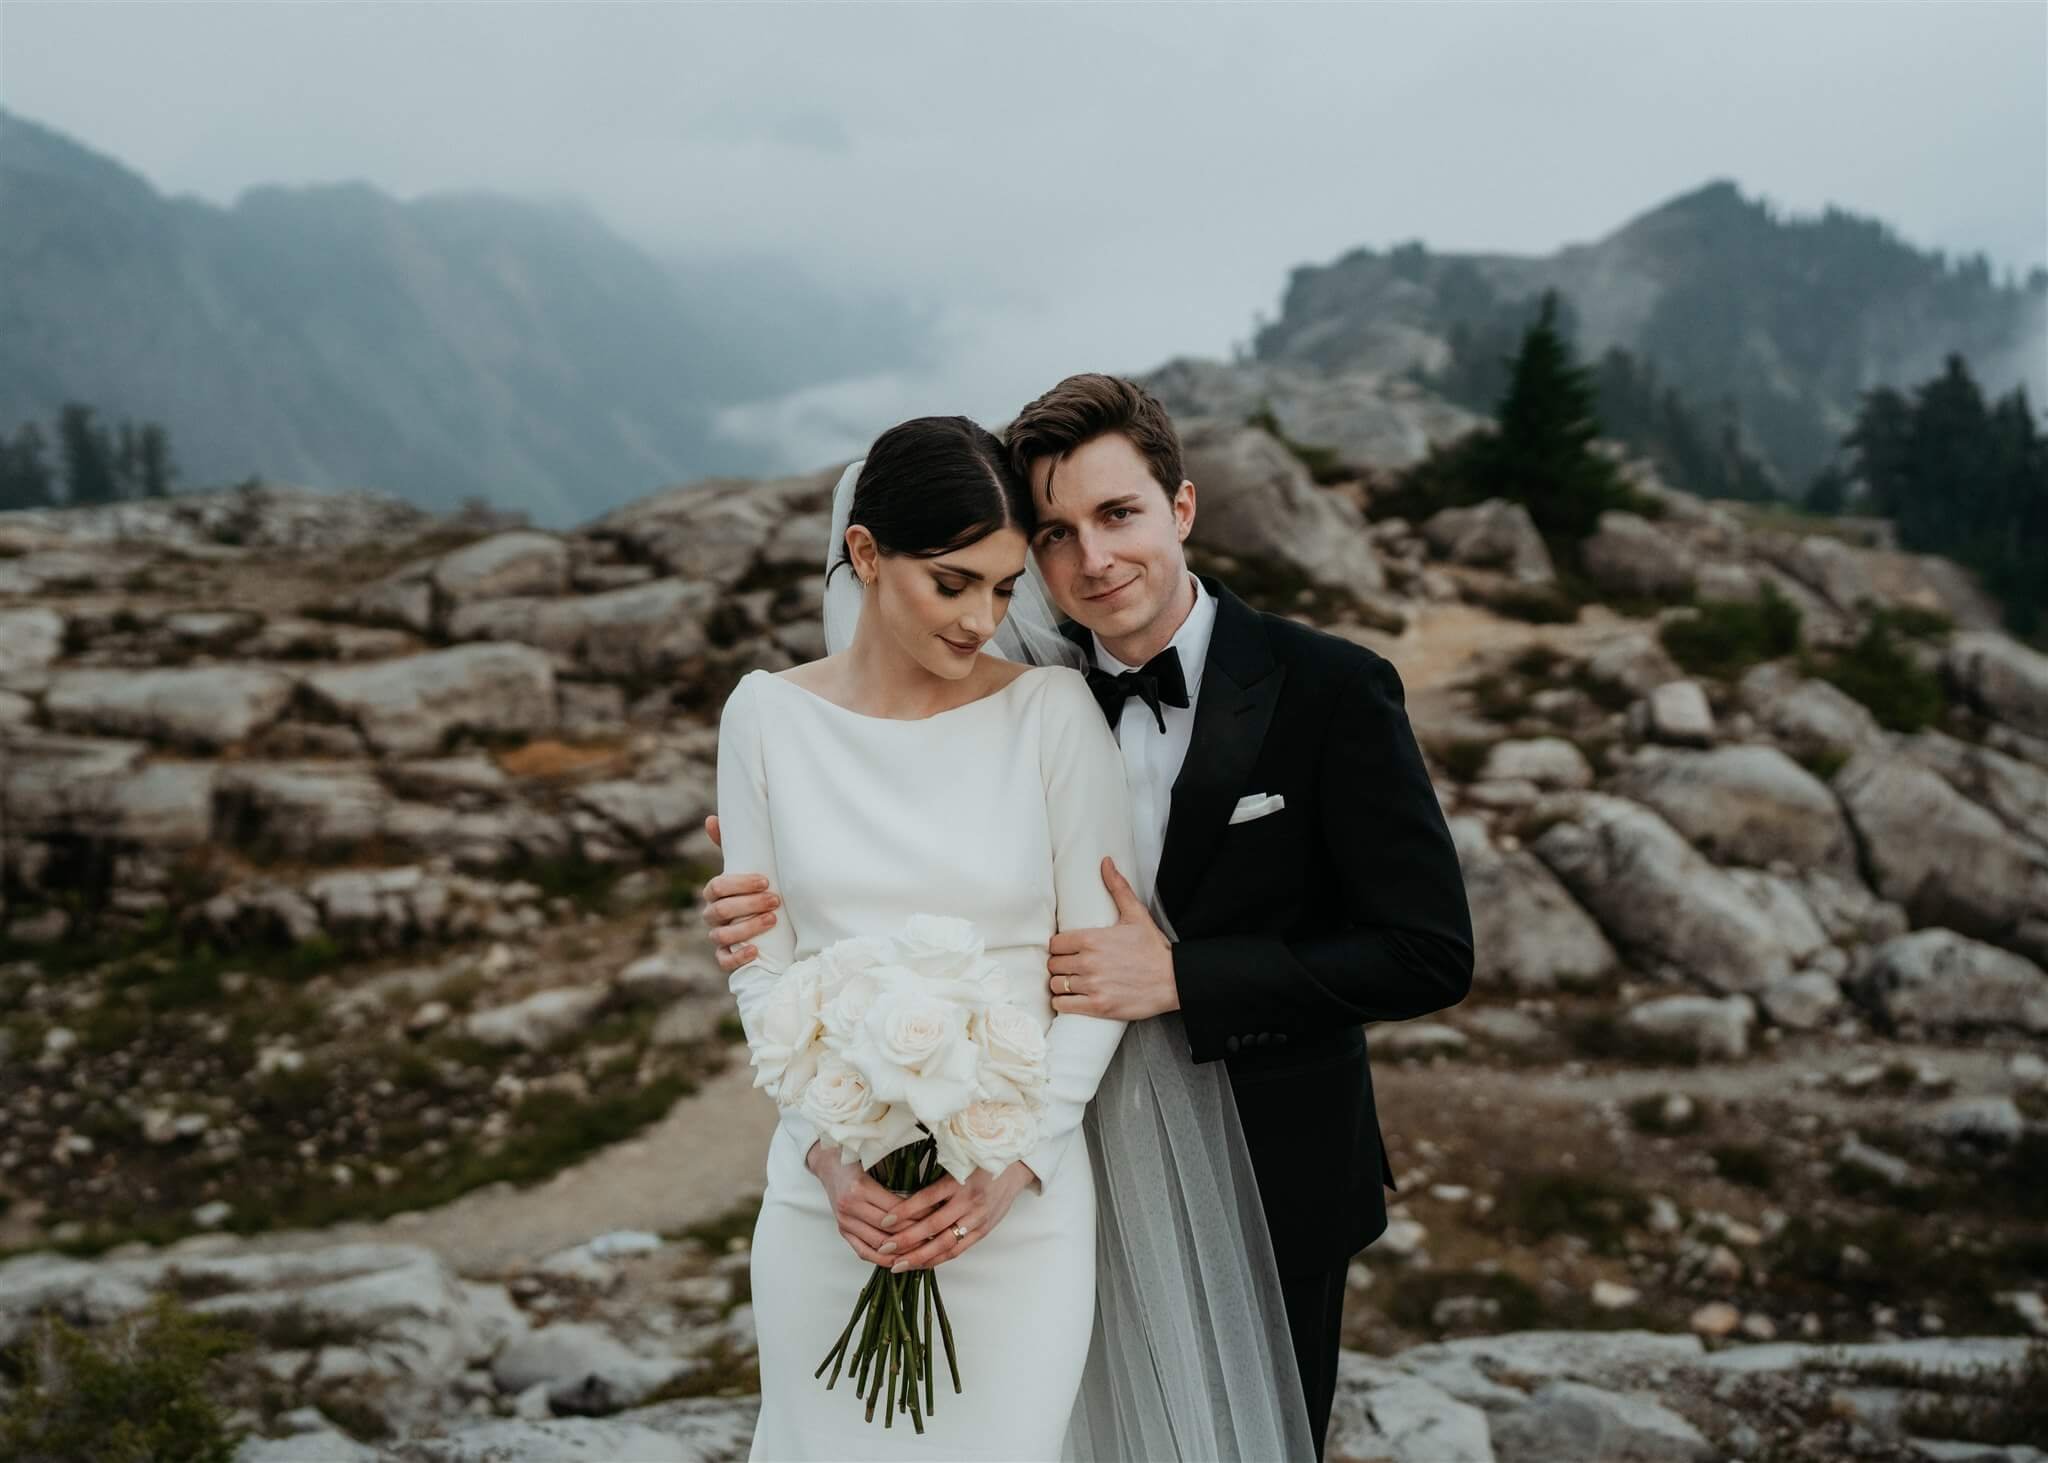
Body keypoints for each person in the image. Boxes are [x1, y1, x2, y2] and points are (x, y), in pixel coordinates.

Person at [707, 375, 1475, 1458]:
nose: (1091, 560)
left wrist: (1183, 975)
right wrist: (765, 872)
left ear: (1182, 507)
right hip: (1025, 1152)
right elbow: (885, 836)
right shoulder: (1020, 674)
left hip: (1256, 1158)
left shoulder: (1328, 689)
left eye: (1118, 515)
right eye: (1056, 534)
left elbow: (1427, 950)